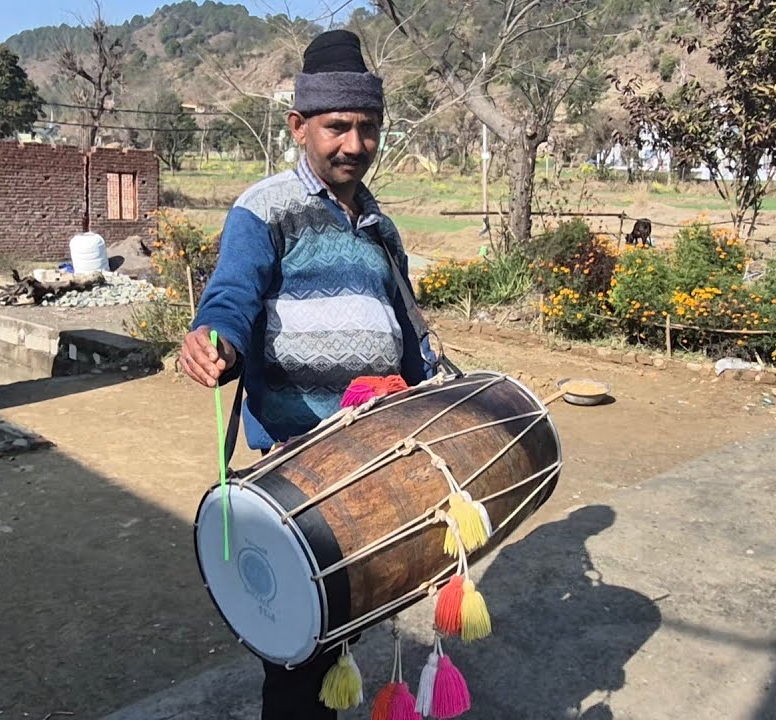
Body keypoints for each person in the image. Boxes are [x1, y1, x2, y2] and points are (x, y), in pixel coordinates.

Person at [178, 29, 437, 720]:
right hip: (299, 460)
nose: (354, 143)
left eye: (369, 127)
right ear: (299, 127)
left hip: (375, 455)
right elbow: (230, 297)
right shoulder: (264, 208)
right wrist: (215, 341)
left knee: (351, 621)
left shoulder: (380, 223)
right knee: (299, 645)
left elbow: (404, 324)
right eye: (337, 126)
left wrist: (432, 393)